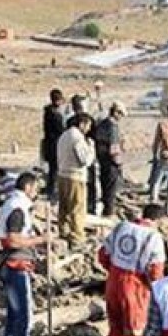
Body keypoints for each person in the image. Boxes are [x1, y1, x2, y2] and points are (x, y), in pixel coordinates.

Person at [98, 203, 167, 336]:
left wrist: (113, 270)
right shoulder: (154, 237)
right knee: (134, 333)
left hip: (114, 280)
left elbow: (103, 255)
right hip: (135, 286)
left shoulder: (121, 227)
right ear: (158, 220)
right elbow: (156, 272)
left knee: (115, 327)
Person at [0, 172, 48, 336]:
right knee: (23, 314)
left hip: (14, 264)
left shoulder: (13, 204)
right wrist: (41, 240)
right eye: (35, 188)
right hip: (16, 265)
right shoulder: (18, 208)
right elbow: (13, 240)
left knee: (14, 312)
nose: (36, 193)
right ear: (28, 187)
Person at [56, 113, 96, 249]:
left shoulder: (64, 135)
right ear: (82, 124)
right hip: (75, 176)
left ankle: (64, 232)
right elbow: (85, 160)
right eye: (88, 125)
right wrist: (91, 148)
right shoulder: (77, 137)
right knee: (77, 208)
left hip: (62, 175)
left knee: (64, 207)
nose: (89, 129)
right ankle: (77, 238)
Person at [93, 102, 126, 216]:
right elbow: (114, 148)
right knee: (111, 190)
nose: (121, 117)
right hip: (111, 162)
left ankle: (105, 210)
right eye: (121, 114)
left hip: (102, 160)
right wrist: (119, 163)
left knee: (104, 187)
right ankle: (109, 213)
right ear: (116, 112)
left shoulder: (102, 124)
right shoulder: (113, 127)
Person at [42, 88, 66, 200]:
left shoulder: (48, 112)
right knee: (55, 169)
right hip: (54, 144)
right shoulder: (54, 114)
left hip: (50, 144)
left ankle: (51, 189)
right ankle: (52, 191)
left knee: (53, 169)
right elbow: (60, 130)